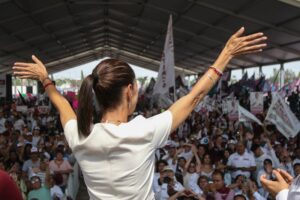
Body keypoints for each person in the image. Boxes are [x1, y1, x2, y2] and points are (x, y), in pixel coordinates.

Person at [13, 27, 266, 199]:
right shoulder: (143, 131)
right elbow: (193, 97)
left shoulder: (79, 135)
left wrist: (45, 79)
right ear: (130, 90)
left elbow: (63, 106)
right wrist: (225, 55)